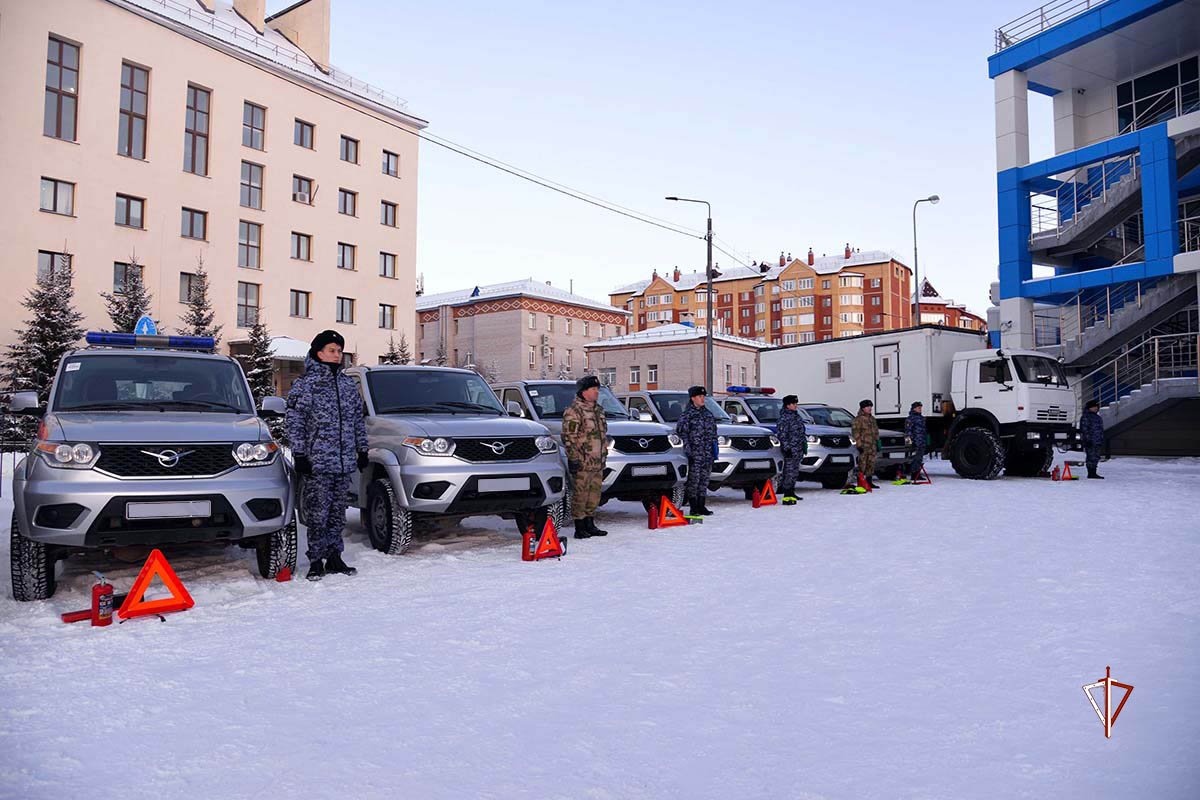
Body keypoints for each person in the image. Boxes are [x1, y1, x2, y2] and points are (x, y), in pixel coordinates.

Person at [286, 330, 369, 581]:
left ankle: (334, 557)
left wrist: (362, 449)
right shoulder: (305, 385)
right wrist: (299, 454)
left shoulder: (346, 385)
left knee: (337, 513)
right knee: (317, 513)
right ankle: (315, 560)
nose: (337, 355)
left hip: (343, 462)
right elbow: (295, 422)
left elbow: (357, 420)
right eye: (332, 350)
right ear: (318, 352)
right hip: (317, 462)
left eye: (339, 351)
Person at [562, 375, 608, 539]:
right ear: (583, 392)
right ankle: (580, 527)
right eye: (593, 389)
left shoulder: (598, 410)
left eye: (597, 389)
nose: (597, 392)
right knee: (581, 495)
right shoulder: (574, 411)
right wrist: (573, 458)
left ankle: (590, 523)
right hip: (583, 461)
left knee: (594, 494)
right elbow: (569, 437)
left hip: (597, 462)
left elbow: (603, 435)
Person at [675, 385, 718, 516]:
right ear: (693, 398)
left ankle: (701, 506)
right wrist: (689, 452)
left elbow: (714, 433)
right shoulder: (687, 415)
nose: (702, 398)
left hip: (707, 454)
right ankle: (693, 507)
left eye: (703, 396)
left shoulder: (708, 414)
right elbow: (683, 435)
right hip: (695, 453)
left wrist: (714, 450)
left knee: (704, 480)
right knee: (694, 481)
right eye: (699, 396)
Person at [775, 394, 806, 505]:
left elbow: (800, 432)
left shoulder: (796, 416)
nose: (795, 405)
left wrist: (803, 445)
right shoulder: (784, 418)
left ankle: (792, 491)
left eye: (796, 403)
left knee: (795, 471)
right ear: (787, 405)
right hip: (790, 449)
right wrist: (787, 448)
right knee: (789, 471)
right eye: (793, 403)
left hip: (798, 448)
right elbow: (782, 434)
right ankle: (787, 493)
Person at [851, 399, 880, 489]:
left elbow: (876, 432)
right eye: (868, 407)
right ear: (863, 408)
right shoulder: (858, 420)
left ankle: (869, 481)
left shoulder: (872, 419)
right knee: (862, 464)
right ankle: (861, 481)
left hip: (872, 446)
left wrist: (878, 442)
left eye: (870, 406)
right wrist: (859, 445)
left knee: (871, 464)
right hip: (864, 446)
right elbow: (856, 433)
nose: (870, 408)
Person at [1080, 398, 1106, 479]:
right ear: (1089, 408)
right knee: (1091, 457)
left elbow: (1100, 430)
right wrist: (1087, 440)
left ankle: (1094, 472)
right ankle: (1091, 473)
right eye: (1094, 407)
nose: (1096, 408)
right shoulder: (1086, 417)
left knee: (1096, 457)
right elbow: (1084, 430)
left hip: (1097, 440)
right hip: (1090, 441)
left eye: (1097, 407)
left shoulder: (1097, 417)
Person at [904, 401, 927, 480]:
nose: (920, 409)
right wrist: (909, 443)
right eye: (918, 408)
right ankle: (914, 474)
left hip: (921, 442)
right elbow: (908, 431)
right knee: (915, 458)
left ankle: (917, 474)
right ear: (914, 409)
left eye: (921, 408)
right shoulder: (910, 419)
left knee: (919, 458)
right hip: (915, 442)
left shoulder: (921, 418)